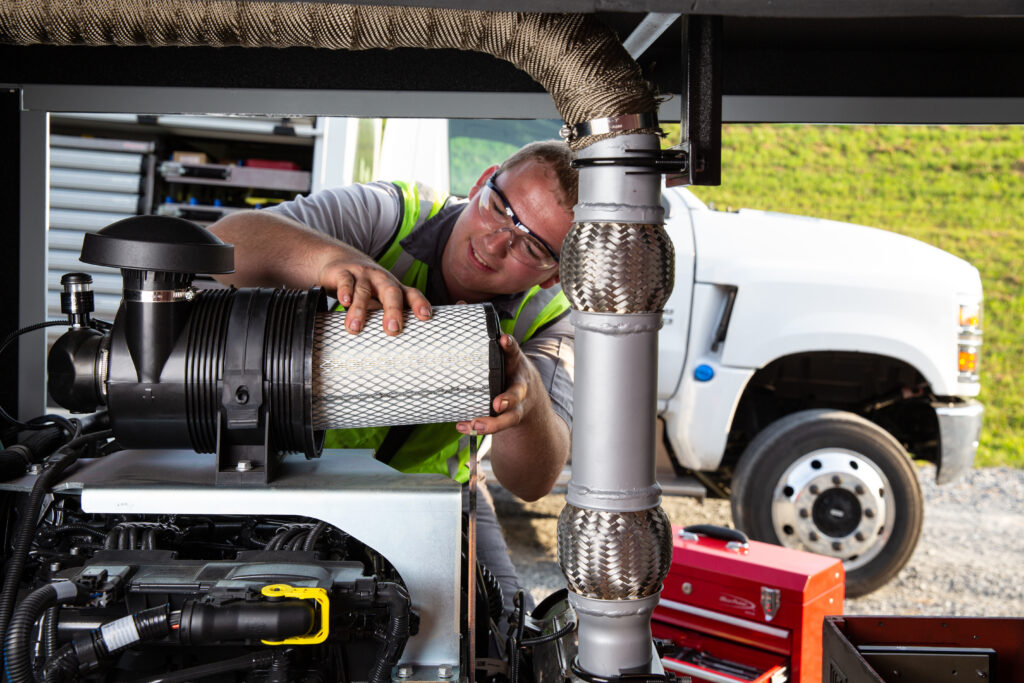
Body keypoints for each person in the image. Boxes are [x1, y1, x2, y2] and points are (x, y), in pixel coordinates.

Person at [209, 140, 577, 617]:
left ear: (553, 276)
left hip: (433, 494)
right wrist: (331, 261)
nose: (494, 242)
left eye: (531, 245)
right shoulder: (390, 217)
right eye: (499, 208)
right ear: (482, 180)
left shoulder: (548, 322)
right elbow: (221, 243)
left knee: (507, 630)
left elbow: (531, 481)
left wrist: (526, 409)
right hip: (292, 467)